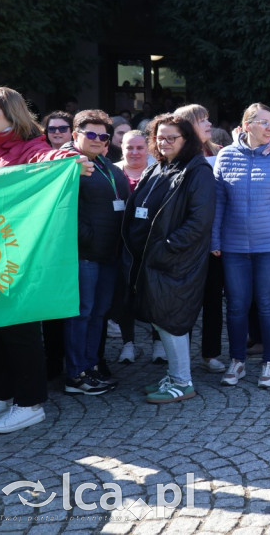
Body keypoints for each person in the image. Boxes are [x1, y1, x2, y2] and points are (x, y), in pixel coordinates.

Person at [0, 88, 90, 434]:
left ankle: (29, 403)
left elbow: (50, 160)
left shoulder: (30, 147)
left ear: (11, 113)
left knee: (20, 330)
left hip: (19, 260)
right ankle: (2, 395)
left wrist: (70, 162)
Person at [123, 114, 215, 403]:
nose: (164, 142)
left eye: (171, 137)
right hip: (151, 259)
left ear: (186, 139)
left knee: (170, 319)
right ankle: (175, 374)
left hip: (176, 260)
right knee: (160, 318)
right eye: (160, 137)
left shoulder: (197, 171)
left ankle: (182, 382)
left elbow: (199, 222)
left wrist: (166, 247)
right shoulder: (159, 167)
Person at [213, 103, 270, 387]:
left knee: (267, 304)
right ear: (247, 125)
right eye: (263, 122)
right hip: (234, 246)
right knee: (236, 306)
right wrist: (214, 238)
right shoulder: (226, 155)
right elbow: (218, 201)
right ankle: (237, 360)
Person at [61, 110, 130, 395]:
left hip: (108, 254)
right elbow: (64, 209)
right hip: (85, 254)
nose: (98, 140)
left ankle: (90, 367)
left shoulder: (105, 164)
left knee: (98, 313)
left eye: (104, 136)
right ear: (75, 134)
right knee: (82, 314)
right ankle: (75, 374)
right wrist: (86, 238)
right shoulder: (68, 163)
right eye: (90, 134)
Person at [174, 104, 227, 373]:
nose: (208, 124)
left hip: (214, 239)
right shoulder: (177, 156)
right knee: (184, 301)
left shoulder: (219, 152)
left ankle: (211, 353)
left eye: (208, 119)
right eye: (201, 120)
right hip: (187, 239)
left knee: (213, 298)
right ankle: (180, 358)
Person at [113, 129, 157, 364]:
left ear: (147, 148)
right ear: (122, 148)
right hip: (119, 245)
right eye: (129, 147)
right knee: (123, 295)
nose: (135, 152)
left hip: (150, 244)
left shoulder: (159, 172)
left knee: (154, 294)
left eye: (140, 147)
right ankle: (128, 343)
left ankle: (159, 342)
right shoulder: (112, 172)